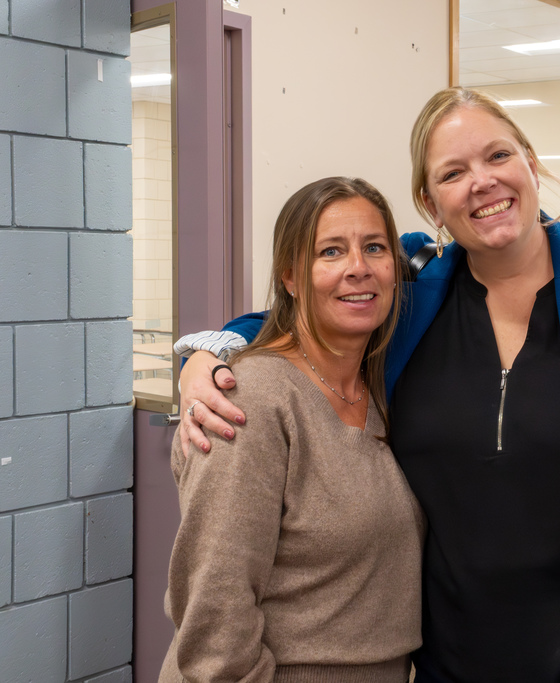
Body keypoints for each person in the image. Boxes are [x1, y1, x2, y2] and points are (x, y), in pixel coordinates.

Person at [175, 88, 560, 683]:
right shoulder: (413, 304)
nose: (482, 182)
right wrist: (212, 351)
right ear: (431, 202)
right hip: (457, 656)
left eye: (498, 156)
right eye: (453, 172)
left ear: (531, 163)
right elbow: (320, 308)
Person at [159, 177, 424, 683]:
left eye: (374, 248)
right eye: (330, 251)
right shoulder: (248, 398)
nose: (358, 268)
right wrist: (203, 352)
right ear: (291, 276)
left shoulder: (379, 389)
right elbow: (216, 615)